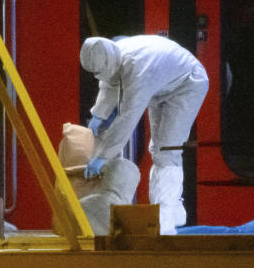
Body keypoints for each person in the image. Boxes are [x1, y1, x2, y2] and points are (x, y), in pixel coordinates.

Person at [80, 35, 208, 235]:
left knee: (166, 150)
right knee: (158, 149)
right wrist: (98, 114)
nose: (99, 76)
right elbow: (110, 83)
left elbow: (127, 118)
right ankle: (174, 210)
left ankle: (165, 220)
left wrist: (102, 157)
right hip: (163, 85)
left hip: (187, 83)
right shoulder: (112, 54)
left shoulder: (138, 68)